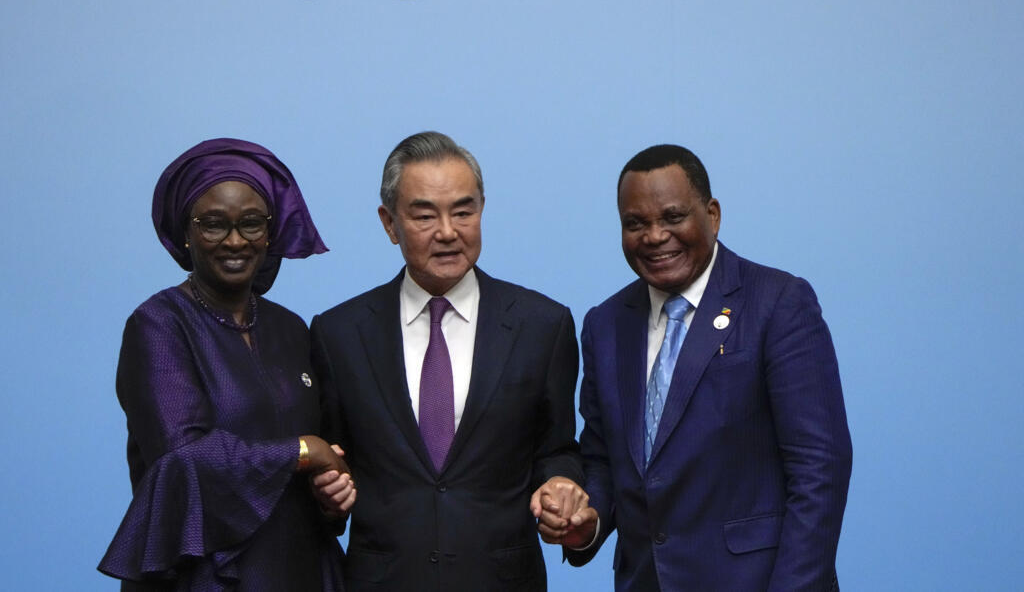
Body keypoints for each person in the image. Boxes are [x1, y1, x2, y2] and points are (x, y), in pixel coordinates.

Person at [559, 145, 852, 591]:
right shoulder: (606, 324)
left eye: (673, 217)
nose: (654, 236)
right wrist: (589, 520)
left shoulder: (777, 303)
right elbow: (602, 460)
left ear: (712, 215)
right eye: (635, 224)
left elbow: (820, 468)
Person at [309, 131, 585, 591]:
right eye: (424, 215)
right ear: (389, 223)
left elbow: (556, 449)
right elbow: (332, 466)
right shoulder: (339, 334)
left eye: (463, 211)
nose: (448, 232)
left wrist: (560, 484)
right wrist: (327, 498)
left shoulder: (543, 325)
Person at [99, 138, 355, 591]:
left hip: (301, 571)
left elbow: (325, 460)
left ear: (270, 232)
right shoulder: (158, 325)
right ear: (185, 232)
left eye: (252, 223)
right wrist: (302, 451)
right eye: (214, 225)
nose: (235, 241)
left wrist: (331, 495)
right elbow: (182, 458)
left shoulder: (292, 329)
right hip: (205, 578)